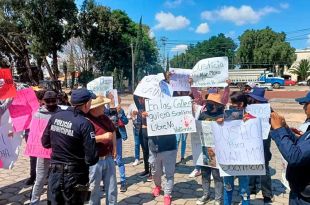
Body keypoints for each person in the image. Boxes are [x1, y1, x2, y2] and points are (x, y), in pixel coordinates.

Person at [41, 88, 99, 205]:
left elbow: (45, 143)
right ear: (86, 104)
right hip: (77, 176)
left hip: (54, 175)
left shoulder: (56, 116)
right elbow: (91, 158)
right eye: (90, 101)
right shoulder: (85, 123)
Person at [270, 92, 310, 204]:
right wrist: (284, 128)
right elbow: (299, 145)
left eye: (306, 104)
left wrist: (279, 129)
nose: (304, 107)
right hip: (299, 192)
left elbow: (294, 156)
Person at [86, 96, 118, 205]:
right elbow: (84, 140)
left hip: (108, 157)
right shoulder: (86, 120)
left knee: (112, 187)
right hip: (95, 160)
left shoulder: (104, 118)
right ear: (94, 108)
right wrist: (102, 137)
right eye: (101, 106)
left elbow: (113, 131)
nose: (104, 107)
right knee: (94, 189)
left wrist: (114, 147)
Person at [30, 91, 60, 205]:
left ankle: (51, 201)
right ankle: (34, 201)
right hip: (42, 152)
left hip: (57, 152)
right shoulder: (38, 114)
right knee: (40, 179)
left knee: (54, 179)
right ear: (44, 101)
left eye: (54, 101)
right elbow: (35, 134)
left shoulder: (61, 113)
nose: (51, 103)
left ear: (57, 100)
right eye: (49, 101)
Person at [196, 93, 225, 205]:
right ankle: (206, 195)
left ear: (218, 105)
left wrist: (223, 122)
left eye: (213, 103)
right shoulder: (202, 115)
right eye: (208, 103)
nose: (210, 105)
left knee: (217, 175)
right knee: (205, 173)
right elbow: (196, 130)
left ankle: (218, 198)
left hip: (218, 150)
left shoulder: (223, 116)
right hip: (203, 148)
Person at [246, 87, 274, 203]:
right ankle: (251, 189)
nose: (253, 100)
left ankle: (267, 194)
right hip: (251, 139)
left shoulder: (269, 109)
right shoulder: (248, 108)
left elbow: (274, 124)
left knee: (264, 167)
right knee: (252, 164)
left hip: (264, 139)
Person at [223, 91, 250, 205]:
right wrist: (220, 123)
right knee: (227, 185)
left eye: (233, 103)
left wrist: (247, 123)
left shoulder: (250, 118)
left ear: (241, 104)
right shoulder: (227, 116)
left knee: (244, 187)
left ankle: (245, 203)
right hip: (229, 157)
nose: (231, 104)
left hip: (244, 158)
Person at [104, 95, 129, 192]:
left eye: (114, 97)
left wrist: (120, 114)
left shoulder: (120, 110)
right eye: (110, 98)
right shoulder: (104, 110)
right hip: (107, 138)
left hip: (117, 137)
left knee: (119, 160)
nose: (112, 100)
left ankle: (123, 181)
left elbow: (126, 121)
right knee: (107, 160)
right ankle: (107, 182)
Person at [25, 90, 46, 185]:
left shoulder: (49, 107)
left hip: (43, 134)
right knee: (33, 156)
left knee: (45, 156)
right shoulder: (30, 106)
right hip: (31, 133)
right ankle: (33, 176)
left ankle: (43, 177)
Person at [134, 95, 152, 180]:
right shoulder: (140, 106)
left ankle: (152, 172)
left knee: (151, 152)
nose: (140, 100)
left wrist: (149, 115)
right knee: (145, 152)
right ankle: (146, 170)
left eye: (142, 99)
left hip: (150, 132)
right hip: (141, 132)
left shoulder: (152, 106)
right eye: (139, 99)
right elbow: (135, 96)